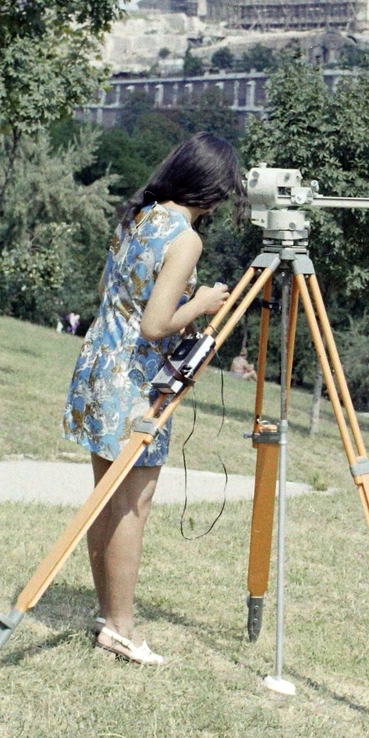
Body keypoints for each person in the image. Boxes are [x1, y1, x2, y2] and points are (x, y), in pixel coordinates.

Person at [64, 133, 239, 665]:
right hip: (133, 387)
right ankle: (121, 627)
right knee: (131, 509)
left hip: (98, 366)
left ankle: (108, 617)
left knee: (105, 501)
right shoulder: (185, 238)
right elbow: (157, 323)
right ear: (209, 189)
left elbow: (108, 291)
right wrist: (204, 302)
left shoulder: (138, 215)